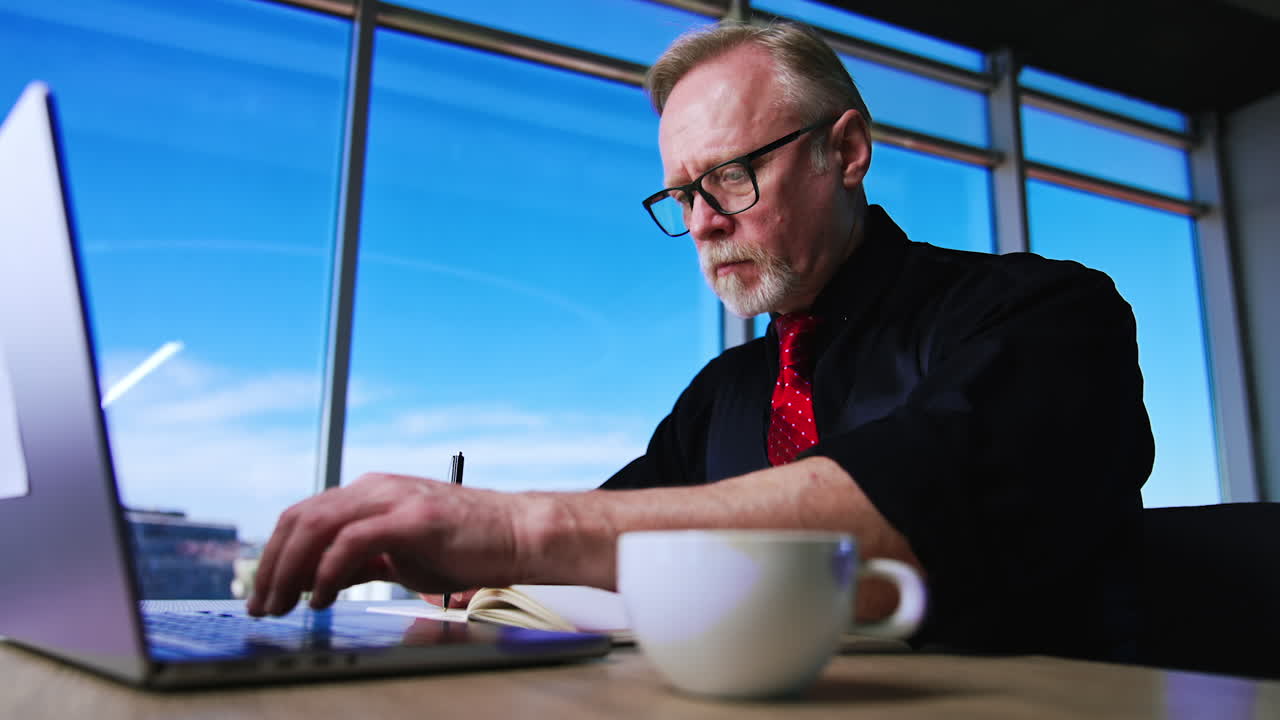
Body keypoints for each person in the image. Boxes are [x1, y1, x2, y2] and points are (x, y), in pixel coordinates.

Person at [247, 21, 1153, 662]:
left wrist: (515, 525)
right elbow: (606, 541)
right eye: (682, 194)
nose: (705, 222)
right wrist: (477, 562)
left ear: (846, 152)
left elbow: (925, 497)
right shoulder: (723, 393)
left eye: (728, 175)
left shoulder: (1045, 314)